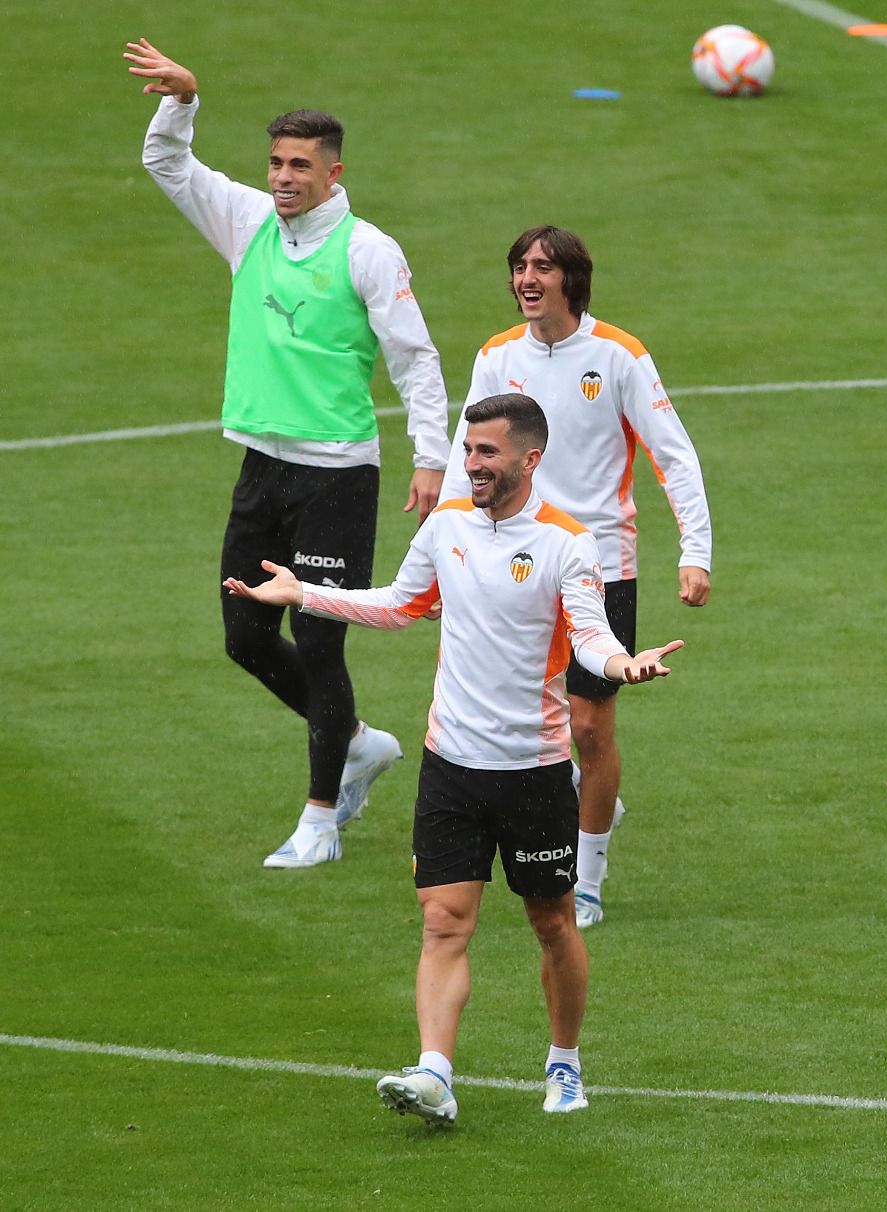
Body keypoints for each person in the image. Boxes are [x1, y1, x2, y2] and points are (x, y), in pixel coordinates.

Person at [226, 394, 686, 1122]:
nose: (470, 464)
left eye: (486, 453)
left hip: (534, 769)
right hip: (450, 765)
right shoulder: (445, 526)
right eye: (468, 451)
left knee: (552, 923)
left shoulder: (567, 542)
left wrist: (623, 664)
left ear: (529, 459)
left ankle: (564, 1063)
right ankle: (435, 1072)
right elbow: (401, 605)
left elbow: (590, 634)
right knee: (443, 922)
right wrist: (304, 594)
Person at [125, 39, 452, 867]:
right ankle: (358, 743)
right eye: (274, 161)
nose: (281, 177)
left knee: (319, 639)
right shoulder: (246, 223)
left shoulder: (370, 251)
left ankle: (318, 821)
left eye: (299, 165)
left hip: (337, 473)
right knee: (243, 636)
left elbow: (414, 357)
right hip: (261, 468)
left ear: (333, 173)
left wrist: (430, 456)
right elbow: (165, 161)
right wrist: (185, 98)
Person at [439, 226, 712, 927]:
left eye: (542, 267)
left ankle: (585, 878)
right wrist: (445, 555)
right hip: (510, 561)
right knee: (535, 720)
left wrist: (696, 550)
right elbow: (463, 457)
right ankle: (583, 812)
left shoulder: (618, 356)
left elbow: (672, 454)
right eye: (519, 267)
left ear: (572, 279)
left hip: (599, 563)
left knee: (589, 726)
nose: (526, 278)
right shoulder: (498, 356)